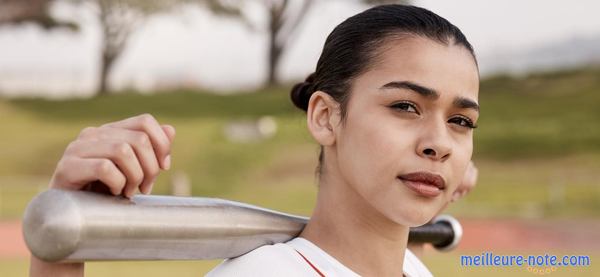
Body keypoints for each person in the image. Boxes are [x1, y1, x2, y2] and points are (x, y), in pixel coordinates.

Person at [29, 4, 479, 277]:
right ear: (325, 117)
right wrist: (62, 242)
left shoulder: (413, 268)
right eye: (405, 107)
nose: (439, 141)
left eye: (461, 121)